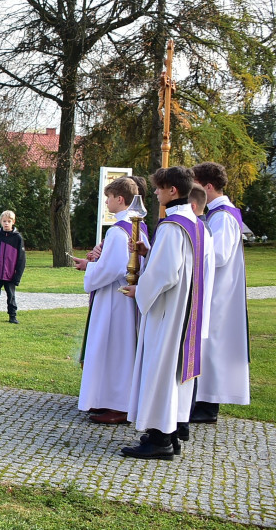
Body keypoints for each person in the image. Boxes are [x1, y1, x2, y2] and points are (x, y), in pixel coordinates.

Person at [120, 166, 214, 459]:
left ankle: (159, 440)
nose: (156, 193)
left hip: (168, 313)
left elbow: (166, 274)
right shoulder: (198, 225)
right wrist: (150, 253)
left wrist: (140, 290)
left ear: (172, 190)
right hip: (189, 312)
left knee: (160, 371)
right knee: (175, 376)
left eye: (159, 189)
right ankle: (170, 433)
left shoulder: (173, 226)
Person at [72, 177, 145, 425]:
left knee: (114, 350)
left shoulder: (117, 230)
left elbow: (112, 269)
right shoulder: (138, 226)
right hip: (126, 298)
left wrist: (91, 269)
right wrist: (92, 264)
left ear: (120, 199)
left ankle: (119, 404)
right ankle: (109, 399)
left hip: (115, 300)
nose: (107, 202)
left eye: (109, 197)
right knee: (118, 349)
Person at [190, 161, 250, 423]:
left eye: (196, 186)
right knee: (208, 346)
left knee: (212, 346)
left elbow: (220, 254)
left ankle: (207, 404)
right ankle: (203, 401)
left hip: (220, 293)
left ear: (208, 186)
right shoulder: (218, 213)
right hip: (215, 289)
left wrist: (190, 249)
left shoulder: (223, 215)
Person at [0, 210, 27, 324]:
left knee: (11, 296)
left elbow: (21, 259)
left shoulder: (17, 238)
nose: (6, 223)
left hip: (10, 273)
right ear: (1, 222)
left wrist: (17, 276)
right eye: (4, 221)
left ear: (13, 222)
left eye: (9, 221)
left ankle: (12, 315)